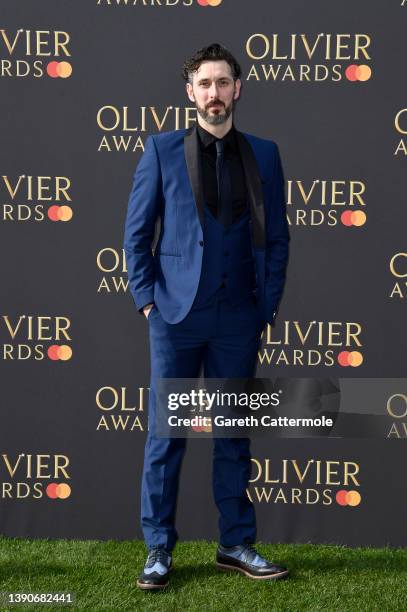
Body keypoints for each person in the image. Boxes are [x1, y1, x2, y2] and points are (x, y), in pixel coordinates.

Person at [123, 43, 290, 590]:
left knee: (234, 435)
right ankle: (157, 549)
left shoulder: (265, 153)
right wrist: (148, 300)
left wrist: (267, 304)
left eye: (222, 82)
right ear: (189, 92)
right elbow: (137, 233)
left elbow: (279, 237)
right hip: (175, 316)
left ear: (237, 89)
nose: (214, 93)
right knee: (166, 437)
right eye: (204, 84)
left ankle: (235, 542)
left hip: (240, 316)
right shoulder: (162, 149)